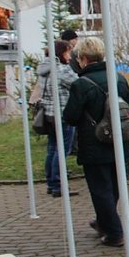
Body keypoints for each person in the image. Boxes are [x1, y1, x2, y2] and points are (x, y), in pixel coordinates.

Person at [63, 37, 129, 247]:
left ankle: (114, 232)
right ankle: (104, 220)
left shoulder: (81, 84)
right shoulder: (119, 78)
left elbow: (71, 117)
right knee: (114, 186)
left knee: (100, 189)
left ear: (83, 58)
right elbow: (128, 105)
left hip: (95, 143)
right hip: (120, 140)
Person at [37, 40, 79, 197]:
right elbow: (78, 84)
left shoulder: (44, 69)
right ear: (61, 53)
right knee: (62, 150)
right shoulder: (61, 70)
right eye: (68, 52)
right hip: (62, 114)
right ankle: (58, 185)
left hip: (49, 114)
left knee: (52, 148)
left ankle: (50, 182)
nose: (70, 56)